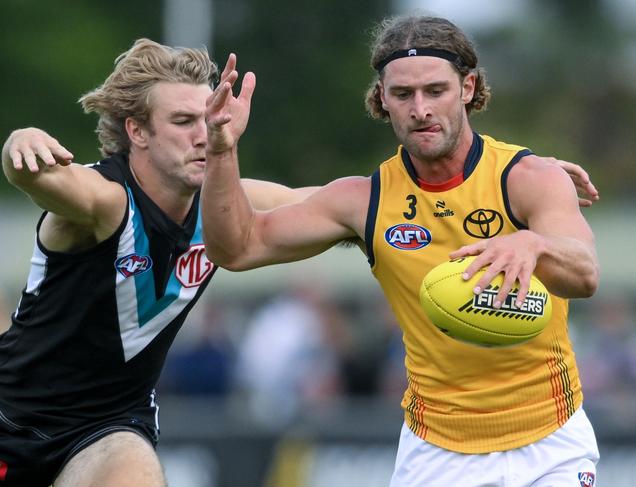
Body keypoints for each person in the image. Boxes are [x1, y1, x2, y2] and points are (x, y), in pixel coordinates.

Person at [201, 15, 601, 487]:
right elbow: (239, 247)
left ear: (468, 88)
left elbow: (586, 272)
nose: (421, 109)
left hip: (550, 442)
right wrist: (220, 150)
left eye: (436, 91)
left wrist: (531, 243)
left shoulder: (527, 178)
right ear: (382, 100)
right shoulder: (366, 201)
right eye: (403, 94)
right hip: (436, 452)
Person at [0, 39, 316, 487]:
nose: (203, 135)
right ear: (138, 132)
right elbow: (33, 176)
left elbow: (335, 208)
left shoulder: (225, 205)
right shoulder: (106, 200)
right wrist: (20, 141)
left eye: (207, 119)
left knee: (136, 472)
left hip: (108, 430)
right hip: (12, 422)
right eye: (184, 121)